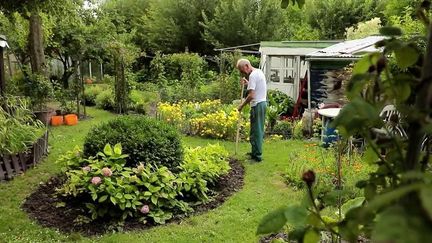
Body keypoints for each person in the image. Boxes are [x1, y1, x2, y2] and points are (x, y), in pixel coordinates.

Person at [236, 58, 267, 162]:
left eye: (242, 70)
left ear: (246, 66)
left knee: (257, 131)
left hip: (257, 105)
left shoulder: (253, 75)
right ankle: (254, 152)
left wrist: (241, 105)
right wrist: (248, 83)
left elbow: (251, 95)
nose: (242, 73)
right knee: (254, 131)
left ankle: (257, 156)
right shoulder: (258, 72)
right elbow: (257, 88)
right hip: (261, 103)